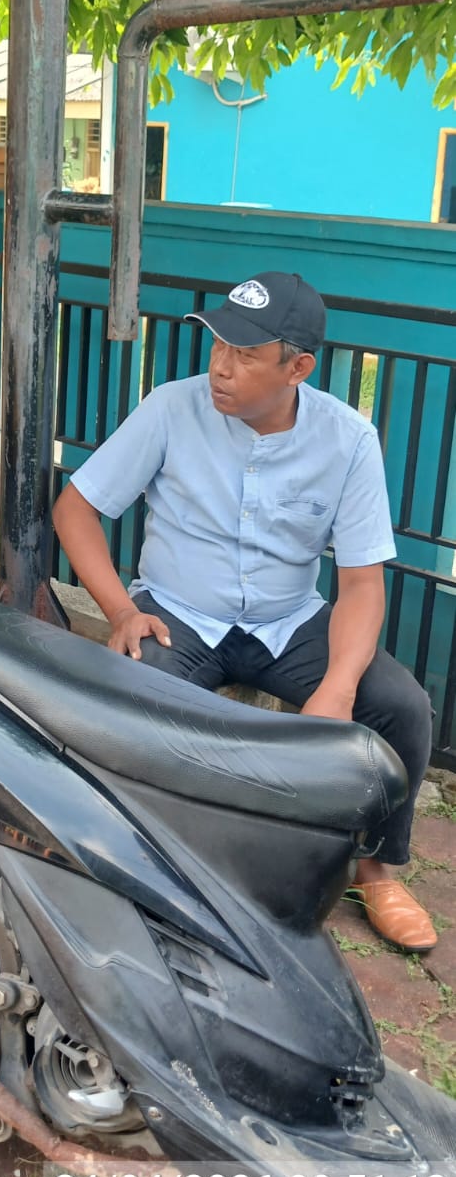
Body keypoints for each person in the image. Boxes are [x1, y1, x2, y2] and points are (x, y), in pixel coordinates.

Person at [53, 271, 435, 953]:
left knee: (401, 707)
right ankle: (147, 866)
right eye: (218, 345)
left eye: (246, 355)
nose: (221, 367)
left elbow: (361, 584)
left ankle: (374, 869)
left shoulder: (347, 439)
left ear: (298, 368)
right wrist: (120, 611)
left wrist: (338, 686)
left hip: (289, 621)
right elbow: (75, 509)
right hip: (177, 612)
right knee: (129, 702)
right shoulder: (172, 409)